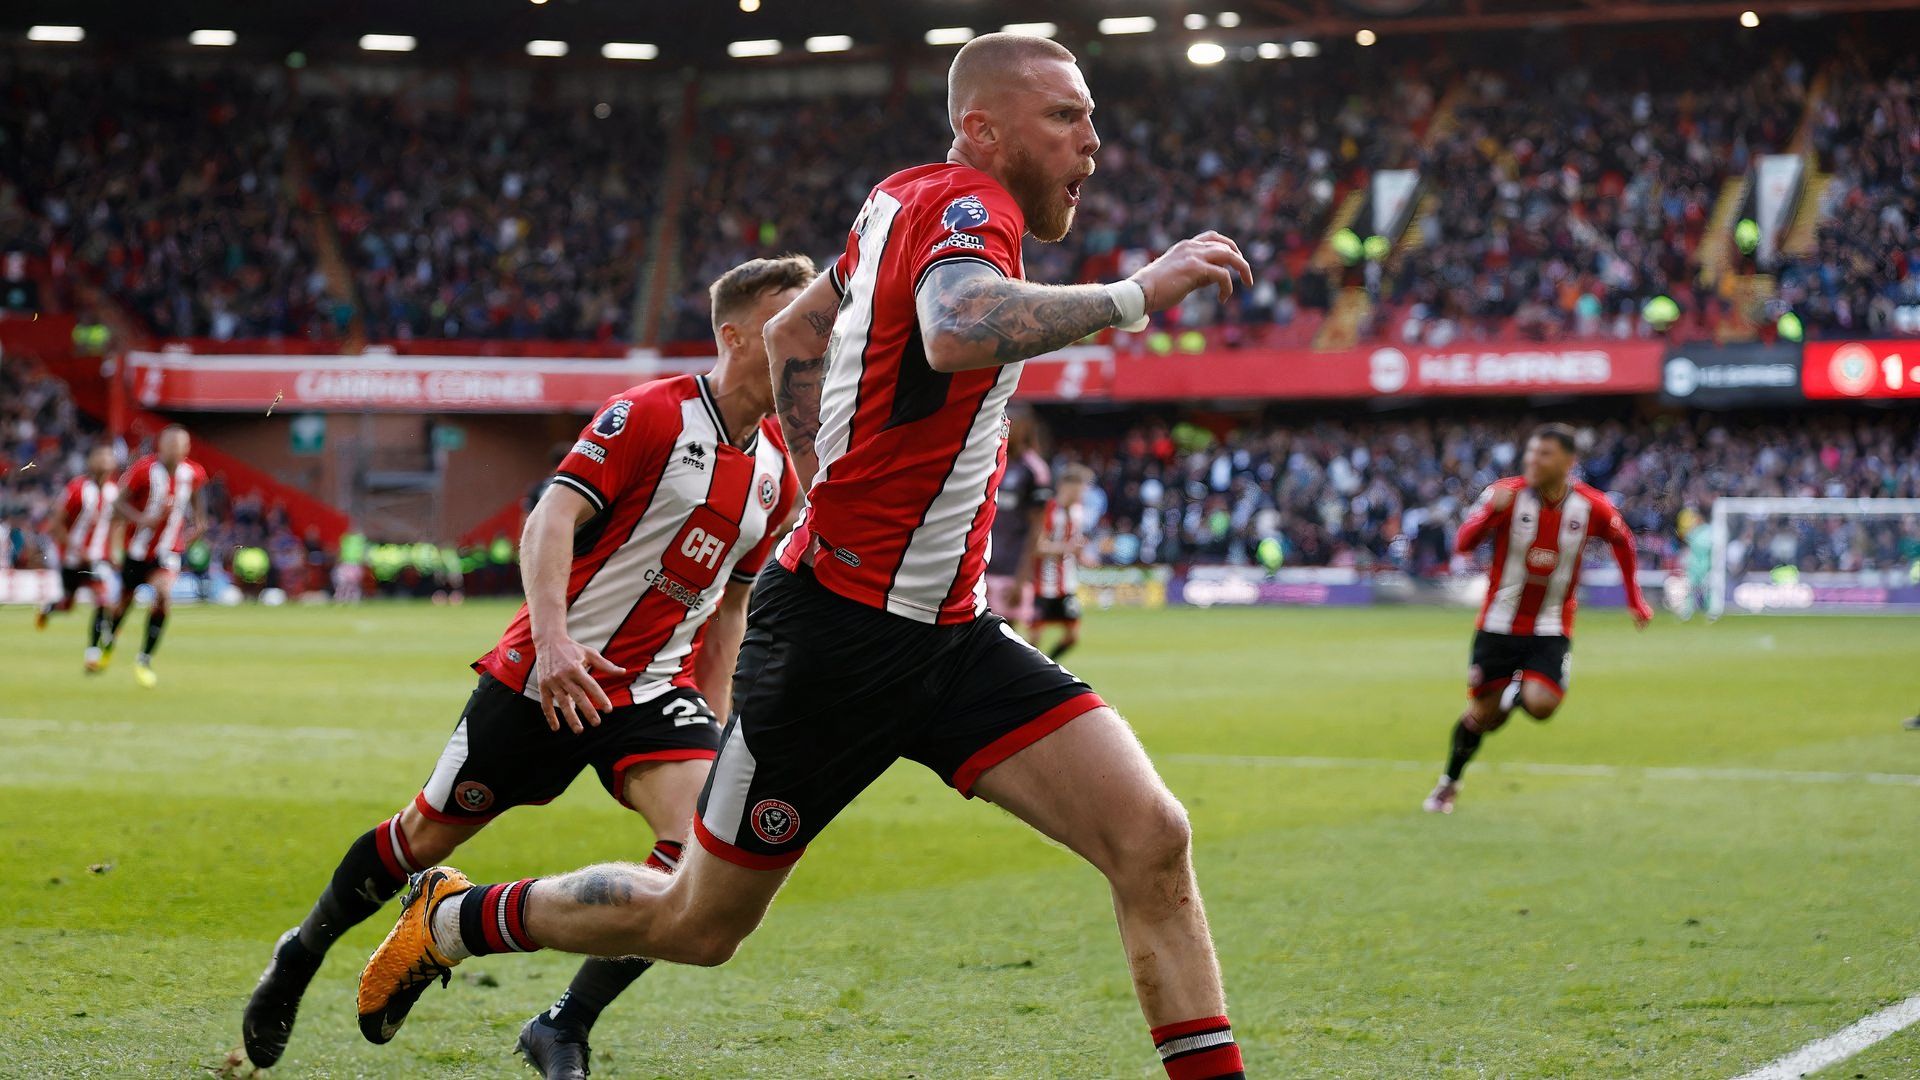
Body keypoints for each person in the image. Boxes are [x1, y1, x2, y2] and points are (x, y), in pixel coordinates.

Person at [357, 33, 1254, 1080]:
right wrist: (1138, 293)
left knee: (1151, 837)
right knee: (698, 921)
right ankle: (460, 921)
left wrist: (822, 473)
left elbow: (790, 333)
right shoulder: (974, 208)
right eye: (1067, 116)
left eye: (1090, 118)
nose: (1093, 143)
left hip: (947, 637)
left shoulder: (895, 203)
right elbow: (958, 326)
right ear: (983, 129)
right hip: (835, 644)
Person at [241, 257, 808, 1078]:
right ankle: (302, 952)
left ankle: (564, 1023)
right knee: (422, 834)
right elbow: (552, 518)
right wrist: (551, 644)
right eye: (793, 320)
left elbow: (728, 606)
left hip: (654, 692)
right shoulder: (650, 414)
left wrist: (714, 719)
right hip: (547, 677)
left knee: (702, 868)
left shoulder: (776, 475)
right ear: (734, 335)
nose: (812, 336)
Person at [1423, 424, 1653, 815]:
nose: (1533, 460)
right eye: (1531, 452)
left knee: (1543, 704)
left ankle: (1516, 693)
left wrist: (1635, 598)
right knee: (1483, 718)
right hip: (1498, 624)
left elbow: (1624, 542)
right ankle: (1449, 782)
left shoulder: (1591, 506)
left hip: (1551, 624)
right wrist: (1486, 516)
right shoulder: (1505, 495)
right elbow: (1462, 544)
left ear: (1568, 461)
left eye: (1544, 453)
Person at [104, 425, 206, 687]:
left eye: (180, 446)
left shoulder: (193, 473)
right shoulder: (143, 470)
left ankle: (144, 659)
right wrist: (141, 519)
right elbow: (118, 502)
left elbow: (198, 510)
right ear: (161, 446)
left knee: (163, 595)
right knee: (123, 603)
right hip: (137, 550)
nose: (174, 451)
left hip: (167, 552)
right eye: (170, 446)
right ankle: (108, 640)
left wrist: (194, 529)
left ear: (186, 448)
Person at [35, 444, 119, 670]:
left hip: (96, 559)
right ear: (91, 462)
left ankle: (92, 653)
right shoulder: (77, 488)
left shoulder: (113, 492)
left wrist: (112, 553)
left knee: (103, 601)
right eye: (100, 455)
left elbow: (114, 526)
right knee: (68, 604)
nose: (105, 461)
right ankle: (49, 608)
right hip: (72, 558)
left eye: (109, 457)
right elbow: (56, 525)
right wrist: (75, 548)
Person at [984, 405, 1051, 623]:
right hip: (983, 564)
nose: (1006, 427)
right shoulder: (990, 460)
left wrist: (1022, 577)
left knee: (1004, 633)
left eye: (1011, 422)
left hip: (1012, 569)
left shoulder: (1034, 469)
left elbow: (1037, 527)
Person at [1029, 463, 1092, 659]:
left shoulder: (1078, 512)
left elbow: (1073, 546)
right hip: (1043, 585)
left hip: (1067, 585)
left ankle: (1048, 666)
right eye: (1081, 488)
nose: (1083, 492)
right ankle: (1030, 671)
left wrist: (1083, 557)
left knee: (1073, 636)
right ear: (1067, 487)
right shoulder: (1048, 510)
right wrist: (1067, 548)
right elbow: (1037, 548)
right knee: (1034, 639)